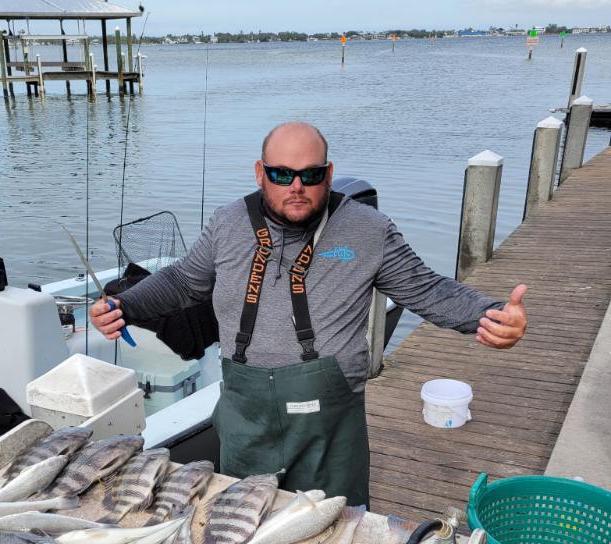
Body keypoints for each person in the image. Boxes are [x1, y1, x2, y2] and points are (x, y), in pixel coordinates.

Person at [90, 122, 527, 506]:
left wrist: (488, 314)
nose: (296, 186)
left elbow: (427, 288)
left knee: (335, 528)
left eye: (310, 175)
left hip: (330, 425)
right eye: (281, 174)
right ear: (261, 173)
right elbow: (184, 281)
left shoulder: (367, 229)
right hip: (246, 414)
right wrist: (126, 305)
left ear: (329, 175)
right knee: (241, 525)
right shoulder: (226, 224)